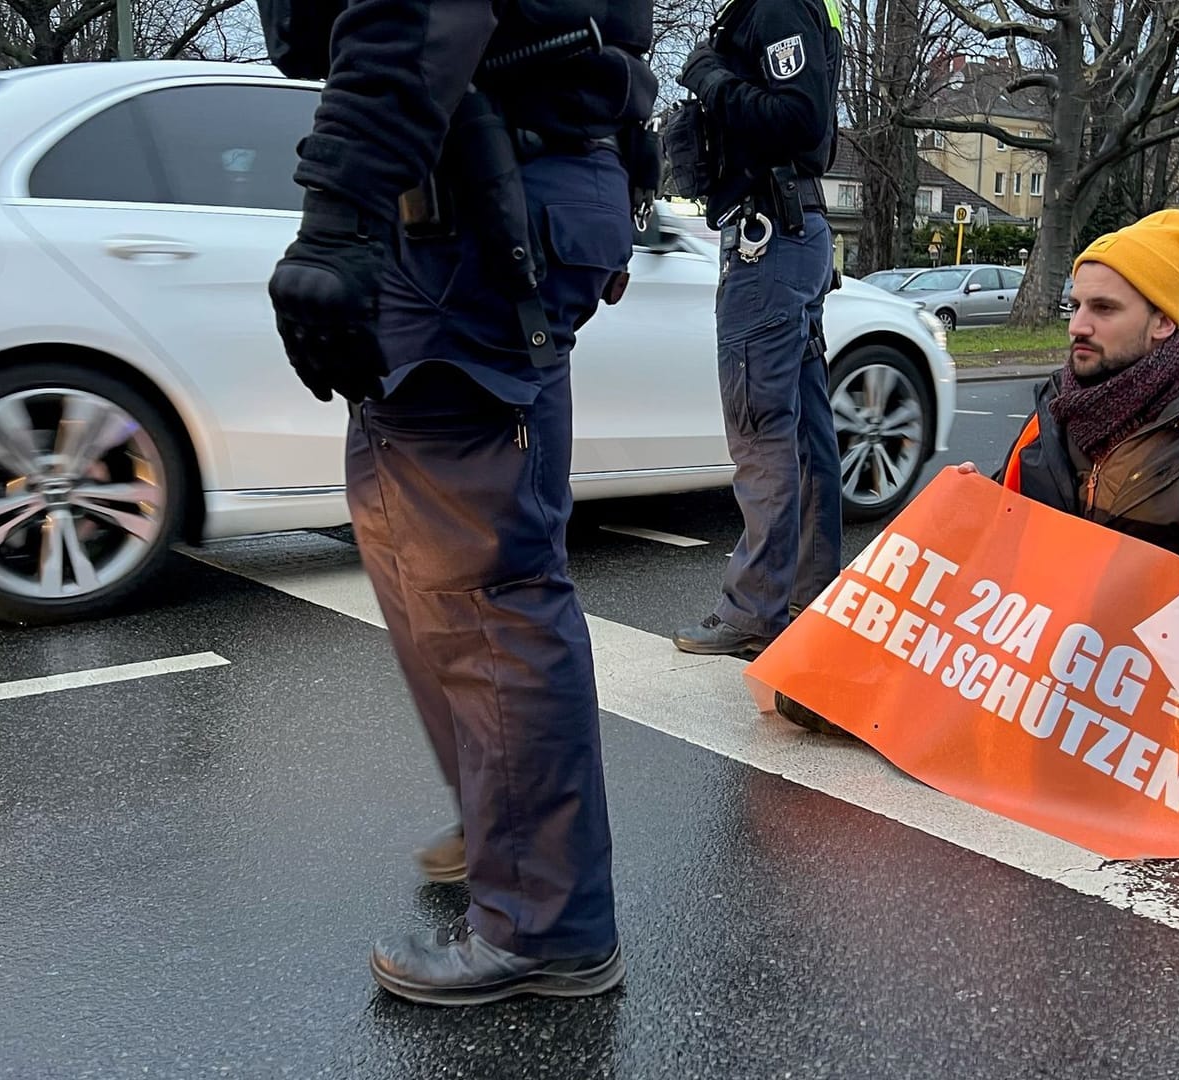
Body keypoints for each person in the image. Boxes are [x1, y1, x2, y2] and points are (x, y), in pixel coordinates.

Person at [260, 0, 657, 1005]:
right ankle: (512, 836)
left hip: (471, 212)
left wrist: (337, 212)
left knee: (480, 580)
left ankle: (544, 918)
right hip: (498, 190)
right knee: (419, 544)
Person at [961, 208, 1179, 846]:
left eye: (1104, 309)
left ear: (1162, 323)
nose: (1079, 326)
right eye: (1075, 305)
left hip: (1147, 723)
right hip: (1041, 693)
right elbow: (1001, 550)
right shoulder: (1055, 419)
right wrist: (967, 507)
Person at [667, 0, 845, 659]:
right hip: (791, 232)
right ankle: (808, 598)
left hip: (766, 238)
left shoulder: (774, 7)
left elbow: (800, 118)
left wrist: (712, 78)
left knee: (760, 427)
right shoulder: (789, 8)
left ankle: (756, 609)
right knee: (801, 430)